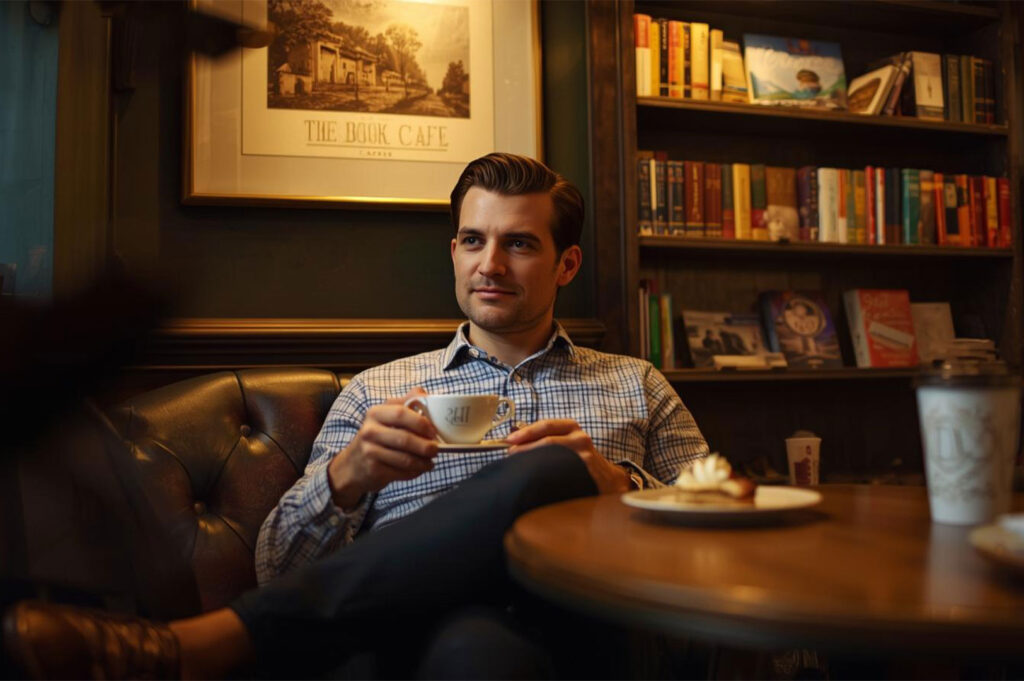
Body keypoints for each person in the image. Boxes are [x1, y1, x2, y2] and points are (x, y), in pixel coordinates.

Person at [3, 153, 708, 680]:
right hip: (424, 630)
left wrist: (619, 483)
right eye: (472, 239)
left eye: (520, 243)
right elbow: (276, 561)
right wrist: (345, 477)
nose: (490, 263)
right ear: (454, 251)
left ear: (566, 263)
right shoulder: (380, 391)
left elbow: (723, 532)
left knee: (554, 472)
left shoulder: (635, 384)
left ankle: (204, 643)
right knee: (475, 652)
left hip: (587, 616)